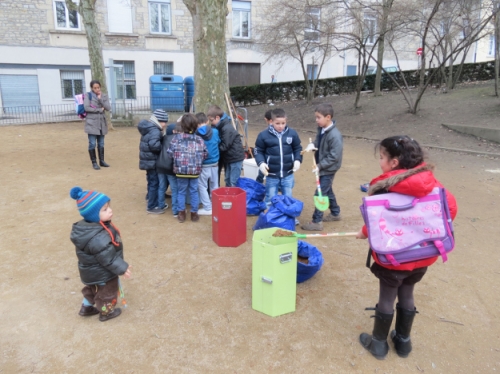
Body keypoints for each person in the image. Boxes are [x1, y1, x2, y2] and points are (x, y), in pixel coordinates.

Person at [355, 136, 458, 360]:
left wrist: (363, 232)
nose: (380, 162)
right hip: (423, 256)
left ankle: (379, 344)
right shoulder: (433, 184)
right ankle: (403, 343)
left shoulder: (385, 188)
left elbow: (376, 221)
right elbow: (451, 209)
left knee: (387, 297)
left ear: (394, 163)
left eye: (382, 157)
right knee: (408, 293)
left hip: (394, 257)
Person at [69, 186, 132, 322]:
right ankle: (106, 312)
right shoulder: (98, 237)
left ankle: (86, 307)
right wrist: (123, 268)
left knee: (93, 288)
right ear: (93, 215)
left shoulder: (88, 228)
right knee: (107, 293)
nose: (110, 210)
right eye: (104, 209)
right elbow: (108, 257)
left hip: (91, 272)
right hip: (103, 272)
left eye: (109, 207)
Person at [301, 103, 343, 231]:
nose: (316, 120)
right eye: (316, 117)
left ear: (328, 117)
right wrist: (312, 145)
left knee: (320, 193)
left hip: (329, 168)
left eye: (318, 117)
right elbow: (317, 142)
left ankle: (316, 221)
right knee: (327, 190)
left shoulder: (334, 136)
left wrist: (320, 166)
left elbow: (334, 156)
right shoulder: (322, 129)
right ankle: (335, 213)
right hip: (323, 165)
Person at [255, 108, 302, 206]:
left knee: (288, 199)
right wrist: (261, 163)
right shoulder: (263, 135)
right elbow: (258, 151)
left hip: (288, 173)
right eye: (277, 123)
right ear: (271, 122)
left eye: (283, 123)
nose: (281, 126)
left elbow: (297, 148)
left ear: (286, 121)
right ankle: (270, 219)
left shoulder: (292, 134)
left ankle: (288, 219)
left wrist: (298, 160)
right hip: (271, 174)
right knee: (270, 199)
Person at [167, 113, 208, 223]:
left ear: (182, 126)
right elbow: (205, 154)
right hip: (194, 171)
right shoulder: (199, 139)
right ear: (195, 125)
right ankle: (194, 214)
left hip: (180, 170)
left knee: (181, 191)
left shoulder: (176, 139)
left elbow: (169, 153)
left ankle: (181, 214)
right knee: (194, 191)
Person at [138, 109, 168, 214]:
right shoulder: (155, 131)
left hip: (147, 160)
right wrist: (163, 146)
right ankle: (152, 206)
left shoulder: (148, 128)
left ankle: (150, 197)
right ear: (159, 121)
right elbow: (154, 146)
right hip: (152, 161)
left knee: (151, 181)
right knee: (154, 183)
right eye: (164, 122)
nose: (165, 124)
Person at [207, 105, 245, 187]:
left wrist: (213, 151)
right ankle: (228, 197)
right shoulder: (219, 127)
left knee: (233, 181)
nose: (211, 123)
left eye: (211, 120)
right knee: (227, 179)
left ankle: (234, 198)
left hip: (235, 157)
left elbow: (225, 145)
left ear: (217, 118)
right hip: (228, 158)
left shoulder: (227, 128)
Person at [195, 112, 220, 216]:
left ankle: (207, 207)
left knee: (202, 185)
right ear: (207, 121)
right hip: (215, 162)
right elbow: (218, 141)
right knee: (215, 184)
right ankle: (216, 205)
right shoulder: (215, 131)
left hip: (203, 164)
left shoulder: (195, 134)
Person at [84, 80, 111, 170]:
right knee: (92, 143)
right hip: (91, 123)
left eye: (98, 87)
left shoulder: (104, 96)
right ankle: (94, 162)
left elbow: (108, 107)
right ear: (92, 88)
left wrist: (100, 99)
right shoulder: (88, 95)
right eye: (95, 88)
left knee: (101, 143)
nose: (97, 89)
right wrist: (99, 110)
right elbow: (87, 108)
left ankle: (102, 161)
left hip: (102, 123)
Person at [157, 122, 182, 217]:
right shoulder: (179, 140)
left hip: (160, 165)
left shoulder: (165, 138)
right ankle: (175, 210)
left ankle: (161, 205)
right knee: (174, 189)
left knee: (161, 186)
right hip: (170, 167)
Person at [255, 109, 273, 184]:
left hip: (267, 158)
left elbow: (259, 149)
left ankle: (258, 184)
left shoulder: (264, 134)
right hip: (268, 159)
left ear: (266, 119)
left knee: (261, 173)